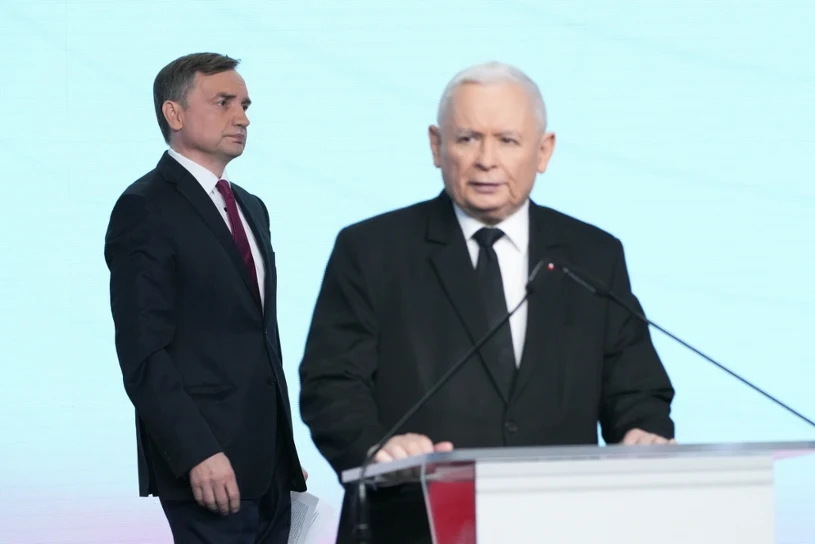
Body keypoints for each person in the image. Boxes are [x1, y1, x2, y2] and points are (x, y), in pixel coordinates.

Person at [298, 61, 676, 543]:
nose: (486, 160)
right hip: (413, 521)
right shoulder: (371, 250)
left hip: (559, 523)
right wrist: (377, 448)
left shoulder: (593, 255)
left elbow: (637, 388)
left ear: (544, 151)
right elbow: (331, 384)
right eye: (468, 138)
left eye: (508, 140)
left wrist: (641, 432)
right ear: (436, 145)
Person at [104, 52, 306, 544]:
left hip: (271, 468)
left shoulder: (251, 207)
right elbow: (142, 350)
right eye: (224, 102)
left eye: (245, 105)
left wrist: (283, 454)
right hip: (207, 468)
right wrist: (195, 451)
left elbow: (257, 337)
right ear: (174, 114)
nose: (243, 118)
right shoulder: (144, 207)